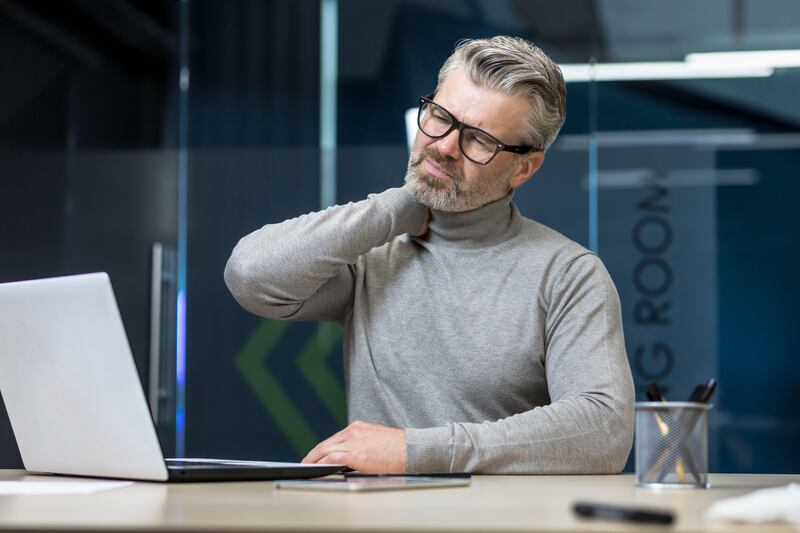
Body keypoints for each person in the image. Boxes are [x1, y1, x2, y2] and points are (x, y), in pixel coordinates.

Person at [224, 35, 634, 474]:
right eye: (440, 117)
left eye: (478, 140)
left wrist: (415, 450)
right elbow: (251, 276)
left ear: (524, 167)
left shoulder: (568, 275)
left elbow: (604, 429)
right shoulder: (373, 251)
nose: (443, 146)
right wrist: (395, 207)